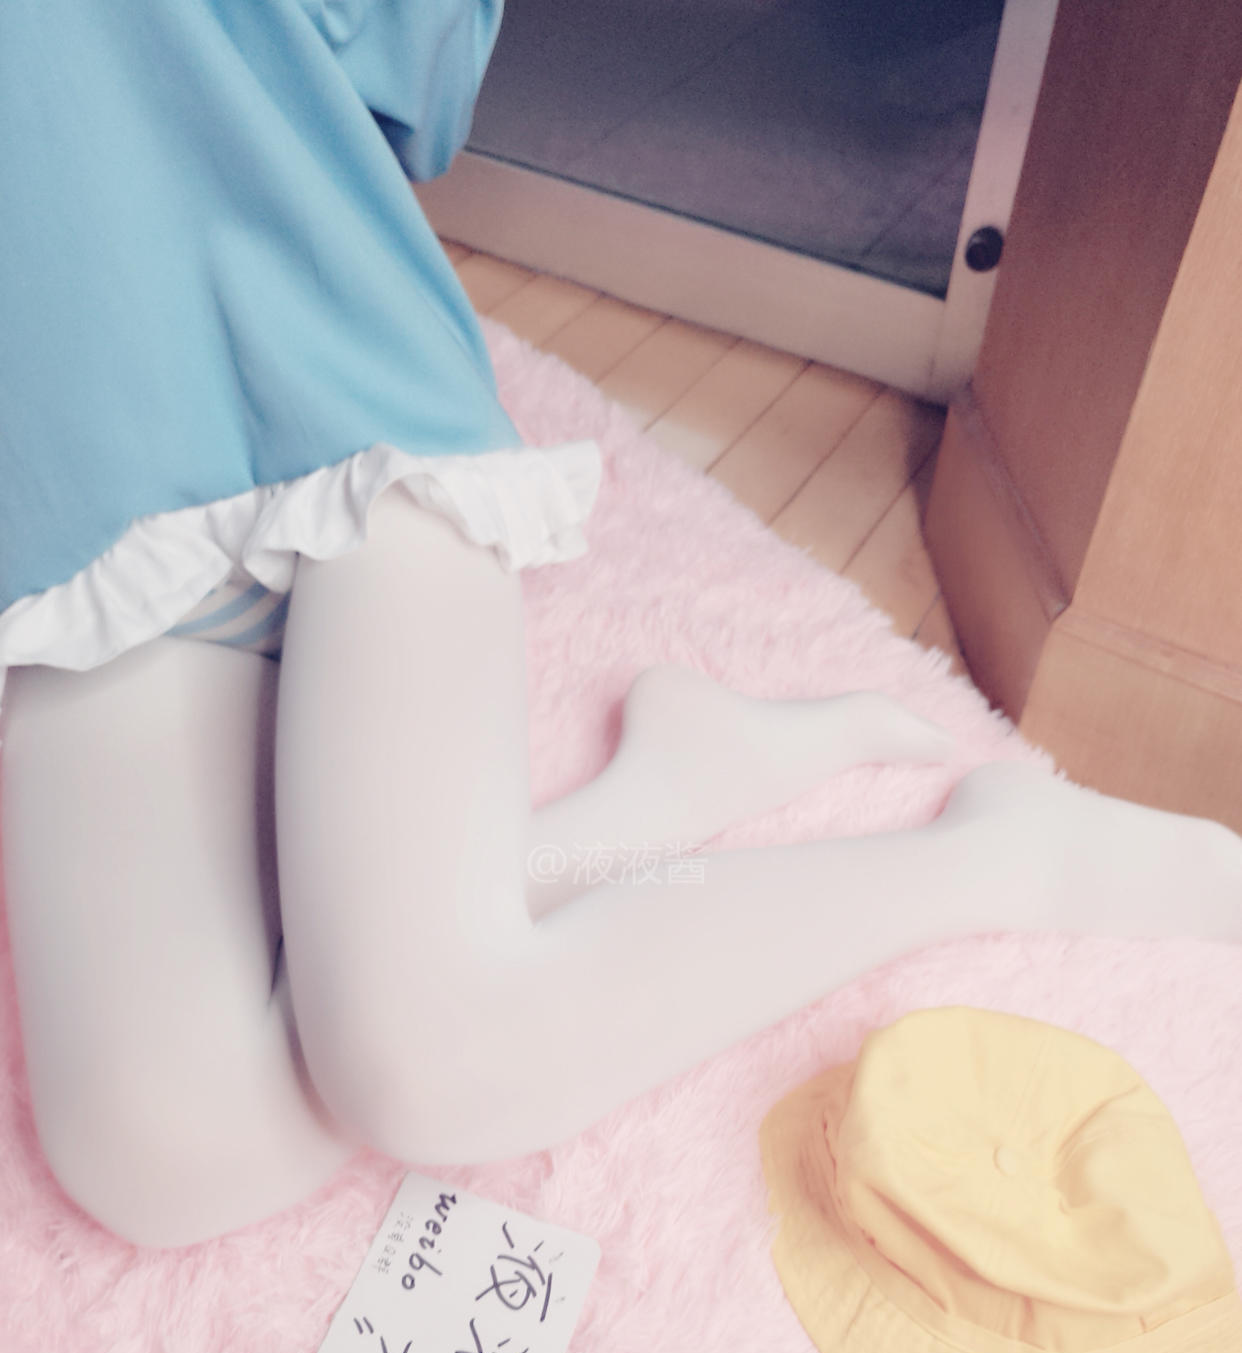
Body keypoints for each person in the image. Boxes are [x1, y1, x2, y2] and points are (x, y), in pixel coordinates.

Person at [3, 0, 1241, 1250]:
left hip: (337, 417)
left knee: (432, 1058)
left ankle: (998, 860)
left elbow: (408, 87)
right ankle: (660, 793)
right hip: (71, 543)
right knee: (159, 1150)